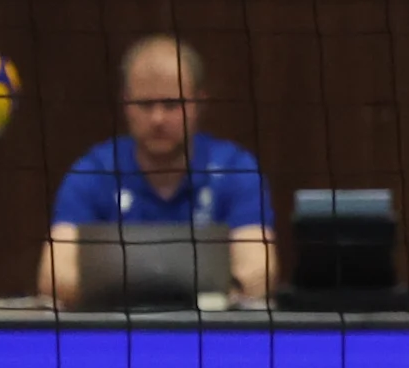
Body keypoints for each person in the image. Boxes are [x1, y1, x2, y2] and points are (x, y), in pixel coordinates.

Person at [37, 34, 277, 307]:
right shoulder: (93, 171)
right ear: (126, 103)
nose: (158, 119)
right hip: (116, 335)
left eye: (172, 104)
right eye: (145, 104)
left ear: (199, 103)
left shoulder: (236, 168)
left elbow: (260, 270)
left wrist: (197, 302)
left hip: (208, 334)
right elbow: (53, 275)